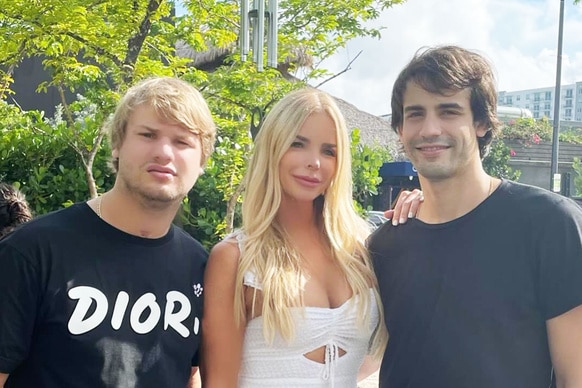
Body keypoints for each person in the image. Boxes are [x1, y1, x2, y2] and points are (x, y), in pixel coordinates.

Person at [368, 45, 582, 388]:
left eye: (449, 111)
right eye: (416, 114)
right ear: (400, 129)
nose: (429, 128)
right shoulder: (386, 243)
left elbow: (575, 376)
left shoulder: (550, 225)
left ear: (481, 122)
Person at [0, 76, 216, 388]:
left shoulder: (200, 266)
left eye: (182, 141)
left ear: (201, 161)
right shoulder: (32, 251)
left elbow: (189, 374)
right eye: (148, 134)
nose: (164, 153)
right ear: (117, 144)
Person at [201, 87, 391, 387]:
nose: (314, 162)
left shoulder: (361, 248)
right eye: (297, 144)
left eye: (329, 150)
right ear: (272, 149)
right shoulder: (236, 258)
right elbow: (219, 382)